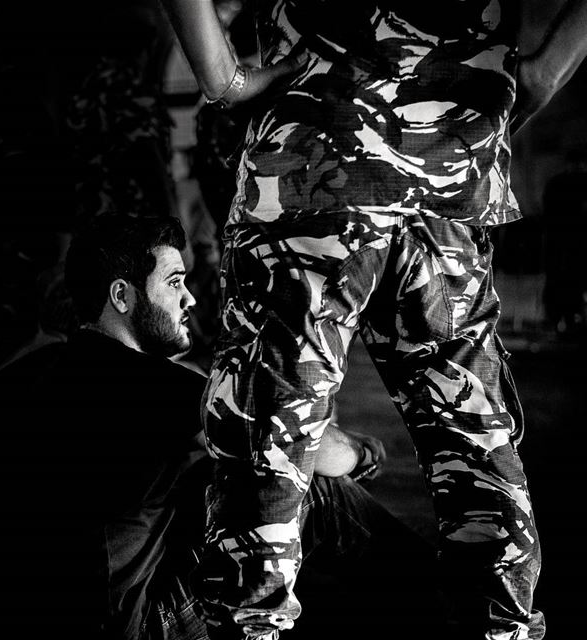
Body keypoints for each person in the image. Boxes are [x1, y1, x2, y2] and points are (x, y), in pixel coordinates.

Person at [158, 1, 587, 638]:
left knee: (269, 448)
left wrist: (225, 81)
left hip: (314, 162)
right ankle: (503, 627)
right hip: (448, 172)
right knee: (474, 447)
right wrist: (539, 76)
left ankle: (252, 628)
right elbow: (546, 70)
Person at [0, 214, 442, 640]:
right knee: (306, 488)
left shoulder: (20, 376)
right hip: (134, 628)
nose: (189, 299)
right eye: (173, 282)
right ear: (121, 296)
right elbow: (295, 438)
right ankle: (455, 603)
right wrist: (364, 453)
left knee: (213, 480)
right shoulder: (151, 385)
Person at [541, 147, 587, 338]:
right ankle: (564, 318)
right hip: (567, 240)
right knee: (565, 279)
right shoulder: (561, 184)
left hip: (566, 240)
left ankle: (565, 318)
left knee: (566, 279)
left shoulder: (558, 184)